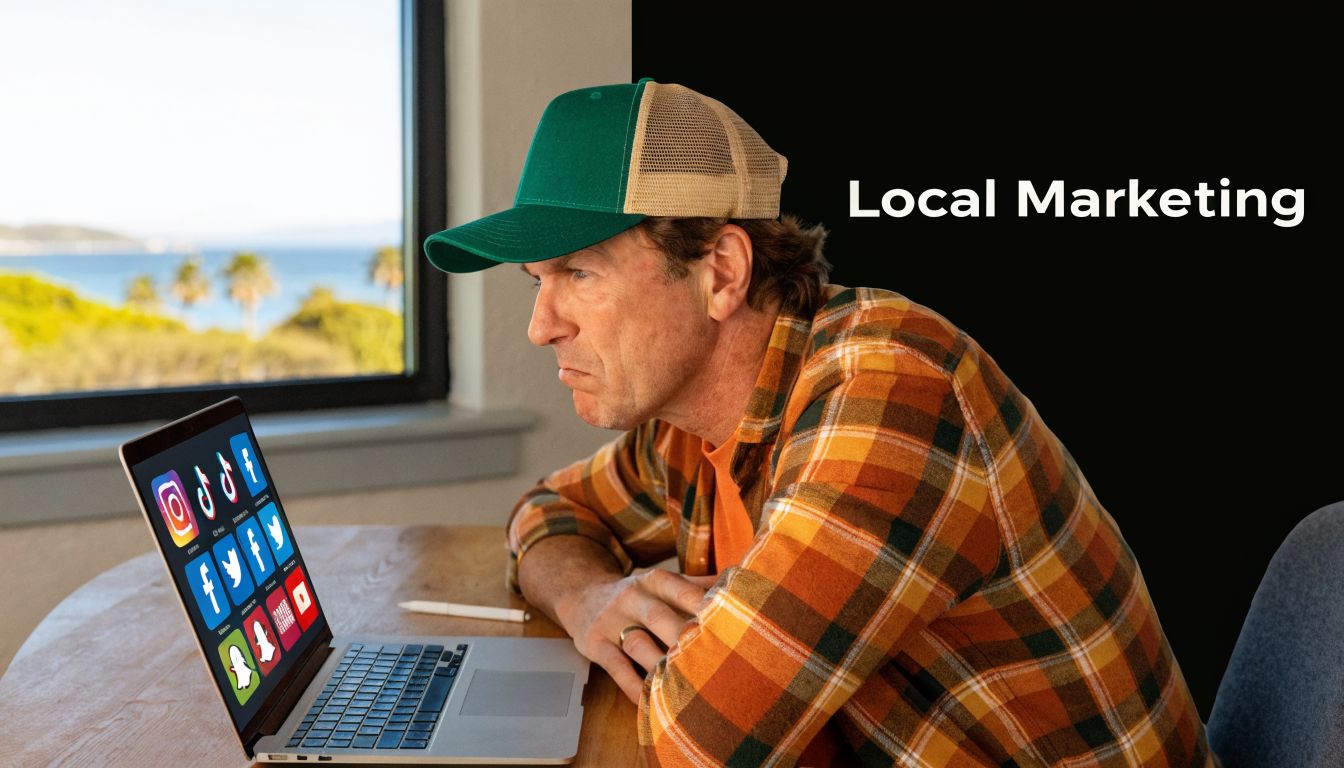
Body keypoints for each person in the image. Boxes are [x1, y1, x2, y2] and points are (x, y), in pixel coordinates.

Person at [424, 79, 1216, 767]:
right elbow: (545, 511)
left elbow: (700, 742)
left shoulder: (890, 393)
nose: (541, 326)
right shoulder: (687, 424)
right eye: (537, 280)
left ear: (721, 273)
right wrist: (590, 597)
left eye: (578, 272)